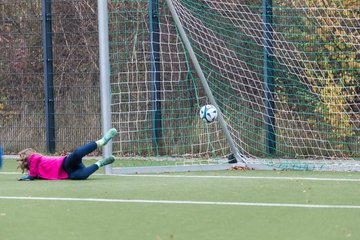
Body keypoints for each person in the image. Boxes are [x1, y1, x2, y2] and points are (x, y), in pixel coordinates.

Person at [17, 128, 118, 181]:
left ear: (28, 156)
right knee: (82, 176)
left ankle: (101, 142)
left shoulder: (34, 158)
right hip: (69, 174)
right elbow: (34, 175)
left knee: (77, 154)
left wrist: (29, 177)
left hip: (64, 163)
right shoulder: (35, 172)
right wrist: (30, 176)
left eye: (21, 159)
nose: (20, 162)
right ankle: (101, 163)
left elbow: (32, 174)